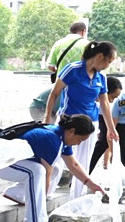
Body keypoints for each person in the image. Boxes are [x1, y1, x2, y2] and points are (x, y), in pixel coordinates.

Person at [0, 115, 103, 222]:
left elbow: (73, 164)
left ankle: (17, 193)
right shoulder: (52, 139)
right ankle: (36, 220)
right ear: (72, 131)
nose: (79, 144)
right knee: (37, 170)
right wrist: (42, 207)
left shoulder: (61, 136)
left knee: (55, 169)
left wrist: (91, 184)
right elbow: (46, 176)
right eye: (80, 140)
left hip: (9, 161)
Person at [44, 41, 118, 199]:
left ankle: (77, 198)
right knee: (56, 159)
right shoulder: (73, 69)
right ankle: (45, 192)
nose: (108, 66)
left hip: (90, 124)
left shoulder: (101, 77)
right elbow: (55, 93)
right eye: (109, 61)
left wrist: (111, 129)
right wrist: (47, 117)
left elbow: (104, 103)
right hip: (68, 121)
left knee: (84, 162)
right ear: (100, 56)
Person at [89, 77, 123, 175]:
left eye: (115, 98)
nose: (112, 101)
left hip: (108, 117)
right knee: (103, 143)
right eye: (112, 97)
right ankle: (86, 171)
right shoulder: (96, 100)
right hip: (102, 116)